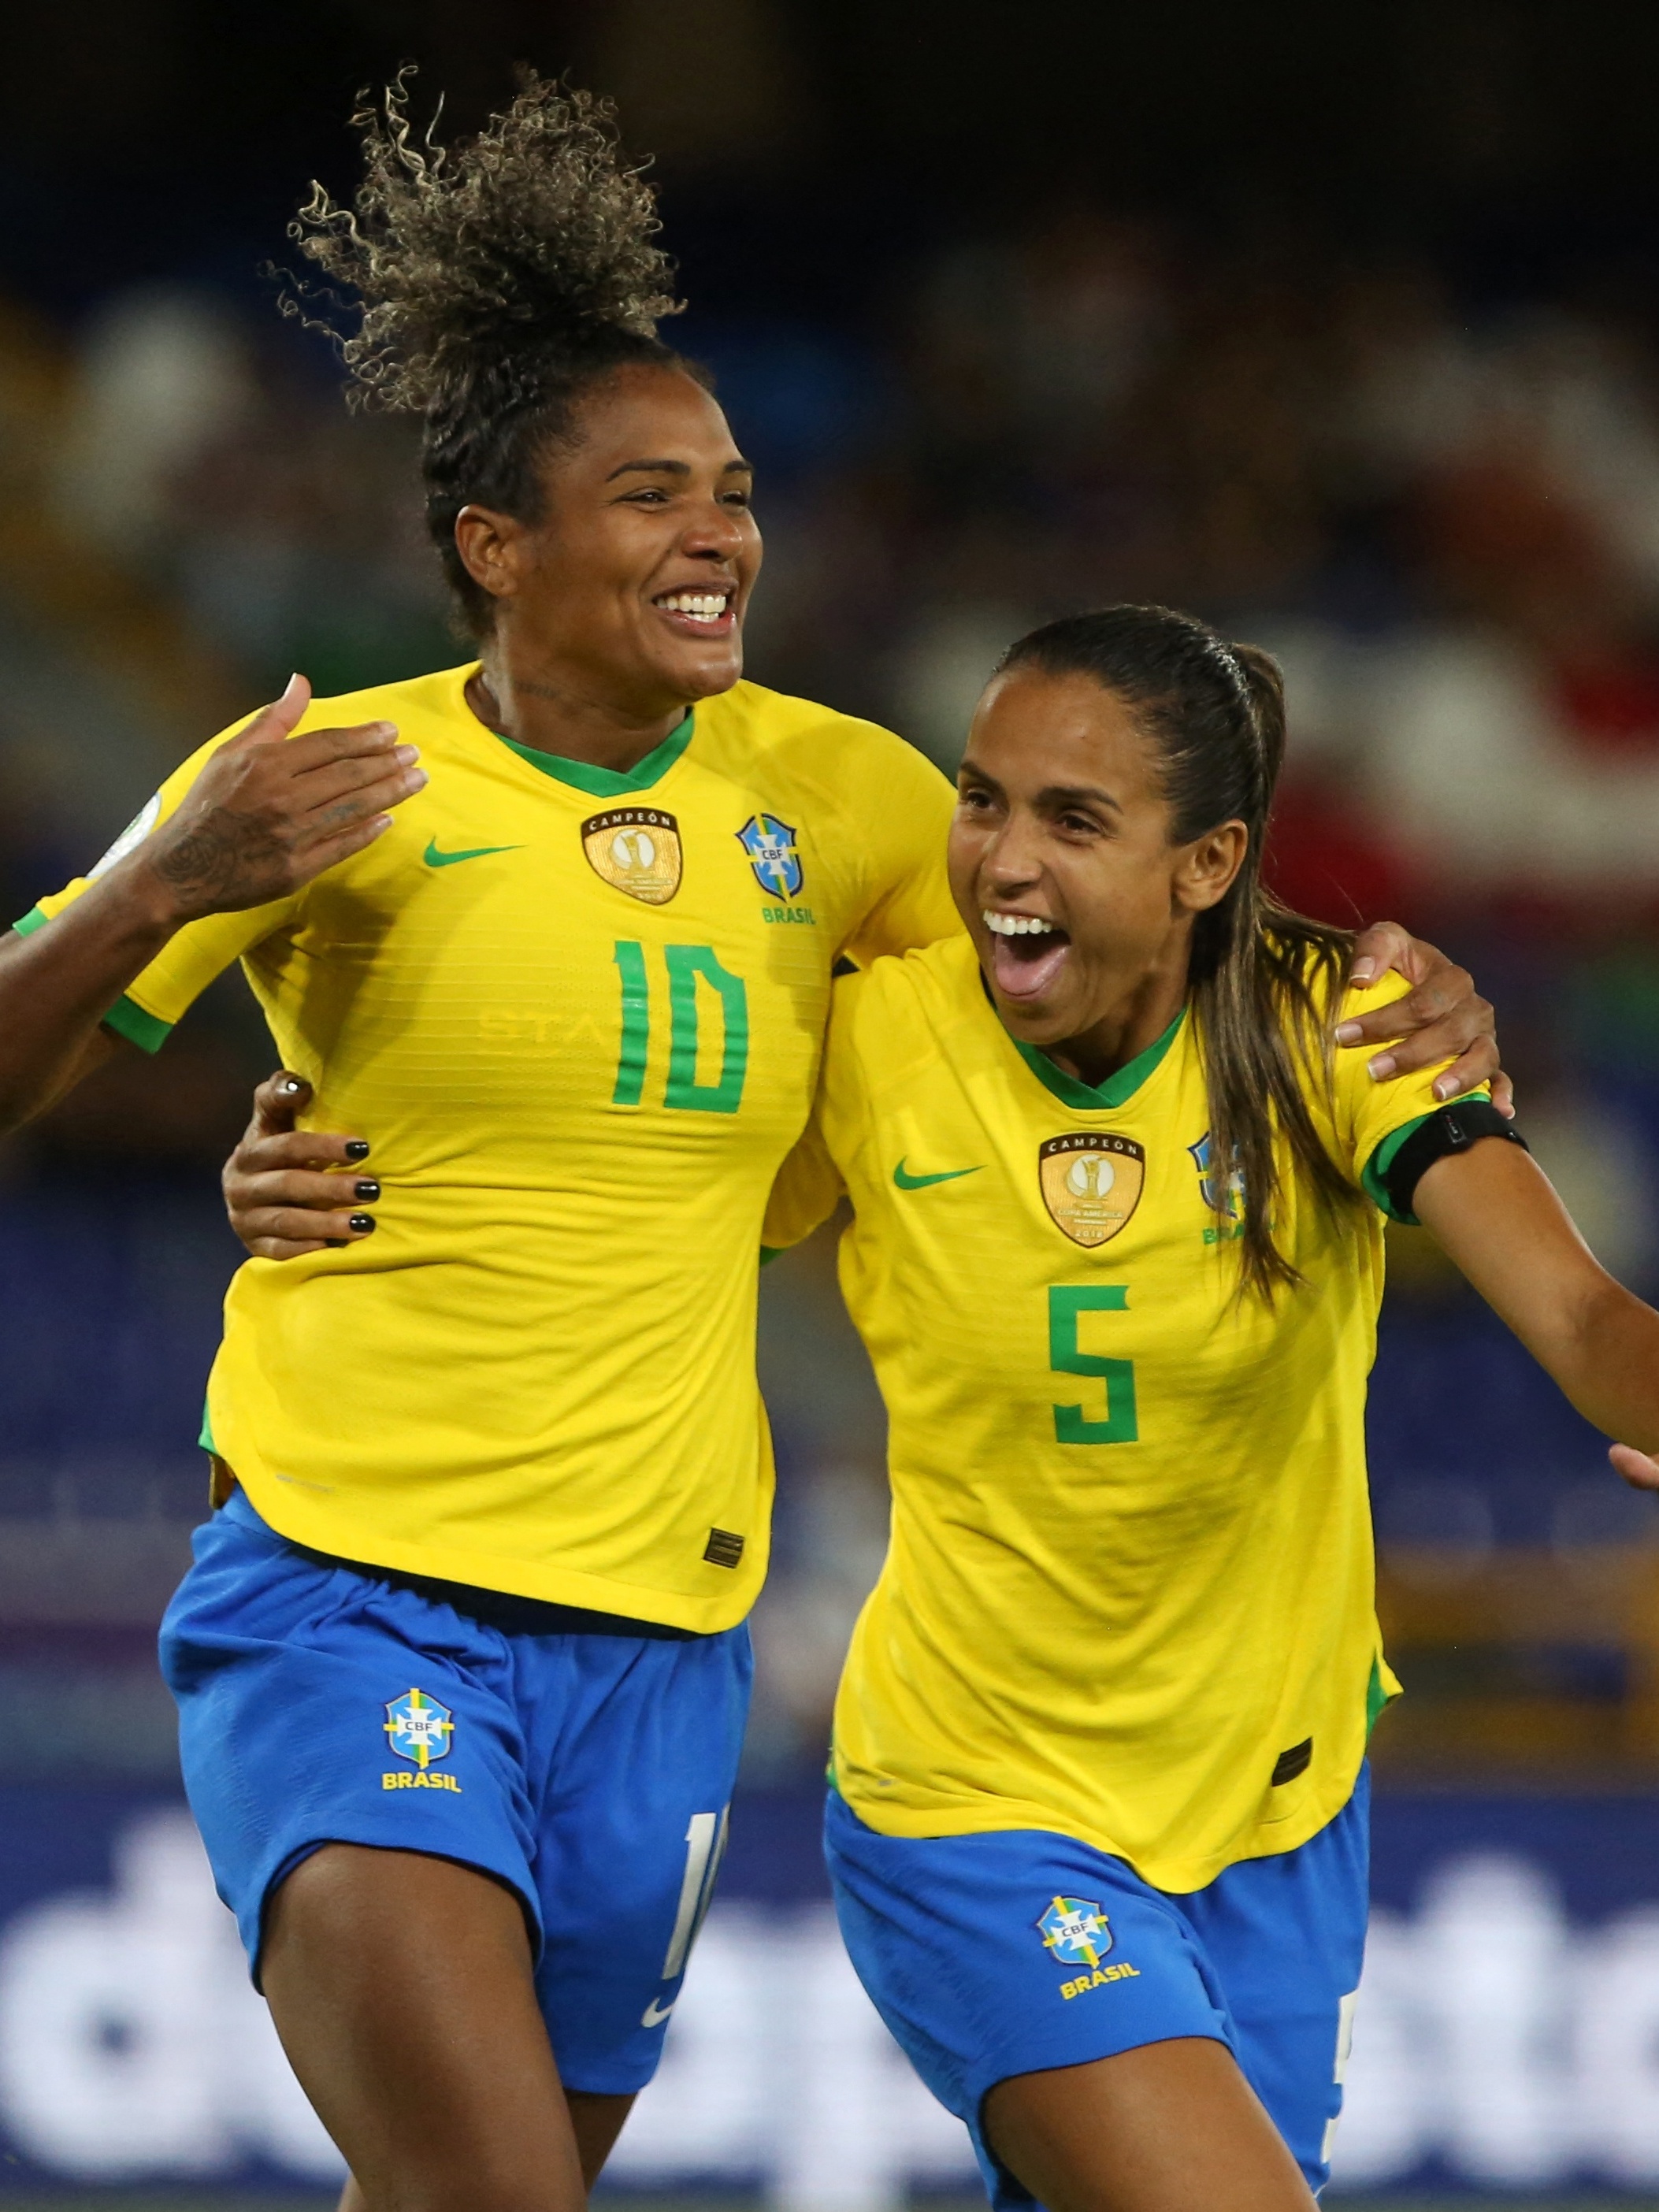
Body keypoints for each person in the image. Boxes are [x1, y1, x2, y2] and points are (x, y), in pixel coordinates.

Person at [6, 78, 1498, 2212]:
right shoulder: (317, 786)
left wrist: (1380, 986)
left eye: (729, 487)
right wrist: (160, 889)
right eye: (648, 496)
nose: (723, 534)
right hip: (358, 1592)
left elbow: (1128, 953)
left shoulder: (855, 799)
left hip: (661, 1653)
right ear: (491, 551)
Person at [755, 603, 1659, 2212]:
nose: (1004, 862)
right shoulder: (873, 1035)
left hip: (1274, 1814)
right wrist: (312, 1173)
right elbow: (599, 1188)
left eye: (1075, 819)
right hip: (975, 1805)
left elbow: (1586, 1320)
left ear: (1208, 861)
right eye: (984, 800)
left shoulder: (1339, 1032)